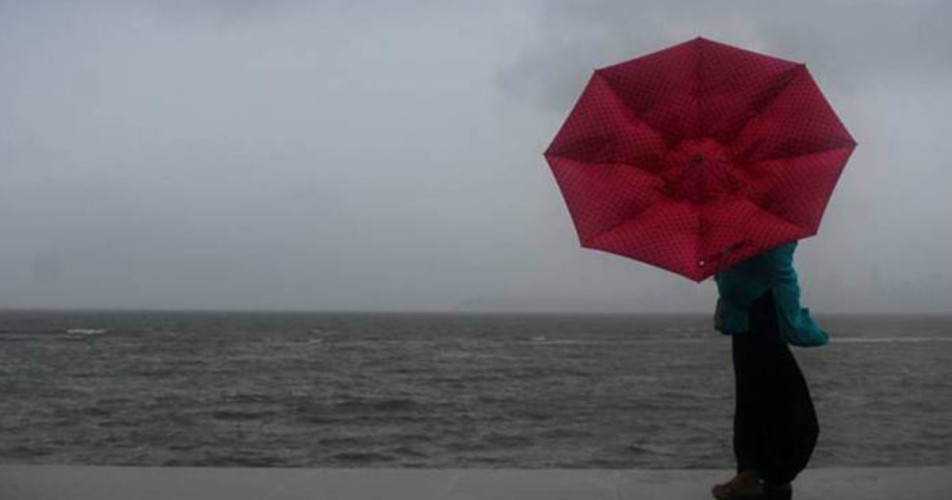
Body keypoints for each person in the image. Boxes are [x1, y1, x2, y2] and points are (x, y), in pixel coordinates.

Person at [710, 240, 827, 500]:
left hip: (762, 311)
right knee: (755, 396)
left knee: (768, 395)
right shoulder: (741, 223)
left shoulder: (762, 228)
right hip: (749, 314)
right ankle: (759, 472)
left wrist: (792, 317)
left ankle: (765, 471)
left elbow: (778, 267)